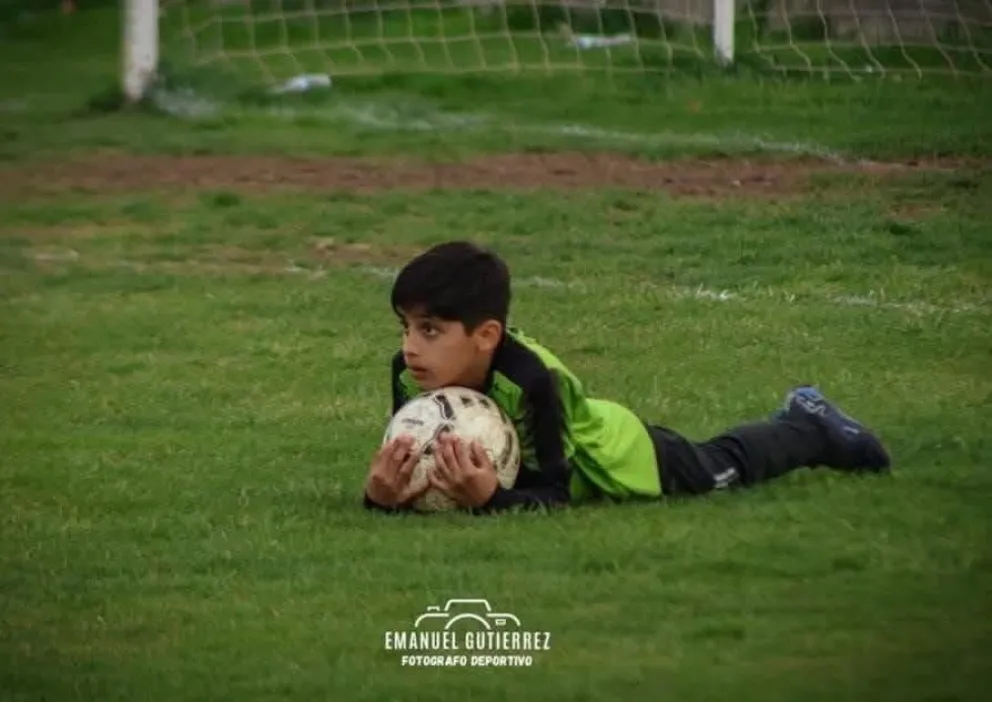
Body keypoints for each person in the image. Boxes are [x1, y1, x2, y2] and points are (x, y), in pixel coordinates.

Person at [362, 241, 891, 515]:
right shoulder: (408, 373)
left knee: (719, 469)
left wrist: (492, 502)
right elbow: (412, 470)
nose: (410, 346)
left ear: (486, 335)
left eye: (430, 330)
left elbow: (555, 496)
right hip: (562, 466)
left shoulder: (534, 379)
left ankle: (808, 425)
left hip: (614, 457)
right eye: (406, 327)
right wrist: (381, 496)